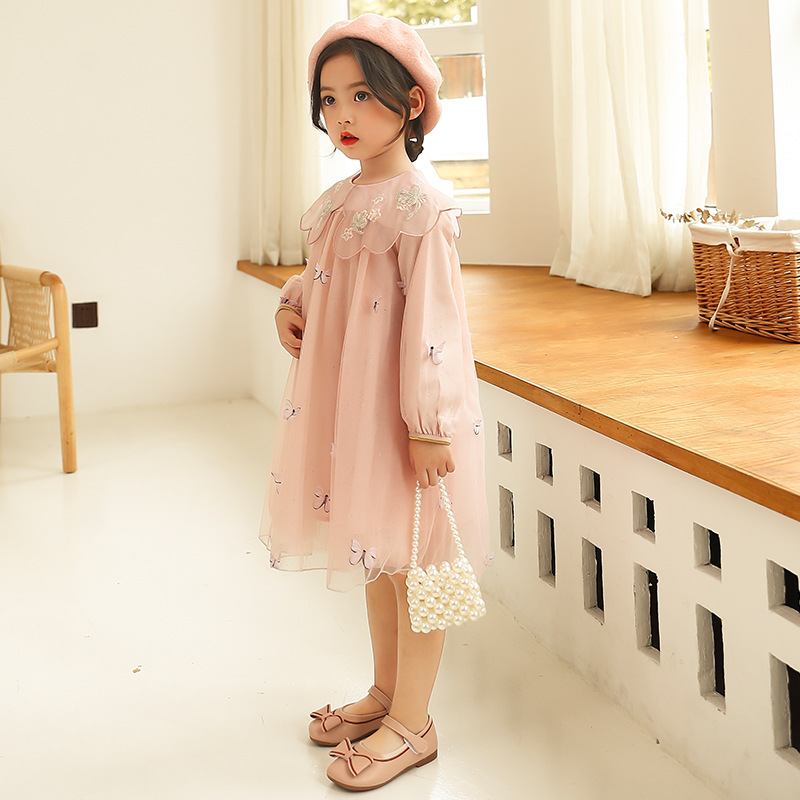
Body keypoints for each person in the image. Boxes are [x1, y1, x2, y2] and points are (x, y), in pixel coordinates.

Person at [261, 13, 490, 791]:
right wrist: (291, 302)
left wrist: (429, 426)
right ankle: (388, 695)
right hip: (355, 416)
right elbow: (327, 276)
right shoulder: (339, 202)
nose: (342, 115)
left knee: (417, 566)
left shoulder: (423, 205)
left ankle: (415, 724)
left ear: (412, 102)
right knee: (379, 558)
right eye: (329, 99)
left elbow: (435, 323)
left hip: (403, 420)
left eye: (362, 95)